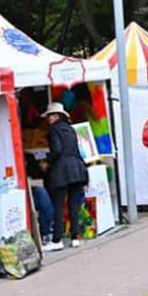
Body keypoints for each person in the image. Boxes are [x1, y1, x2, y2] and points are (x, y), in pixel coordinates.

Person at [42, 102, 89, 251]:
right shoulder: (70, 129)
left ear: (56, 116)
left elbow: (56, 150)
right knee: (73, 204)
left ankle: (57, 240)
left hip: (61, 171)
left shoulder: (54, 130)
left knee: (58, 206)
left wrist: (47, 162)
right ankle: (75, 237)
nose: (48, 119)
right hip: (76, 168)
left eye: (50, 115)